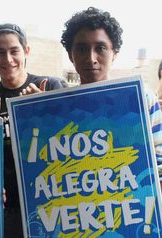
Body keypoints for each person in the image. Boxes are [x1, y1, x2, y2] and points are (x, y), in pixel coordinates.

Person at [0, 23, 68, 238]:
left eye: (14, 51)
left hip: (48, 197)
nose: (8, 59)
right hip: (8, 205)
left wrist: (39, 109)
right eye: (0, 52)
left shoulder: (50, 86)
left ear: (27, 52)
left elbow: (66, 144)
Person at [60, 7, 162, 175]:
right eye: (82, 48)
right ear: (71, 55)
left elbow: (159, 161)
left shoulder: (142, 99)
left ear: (114, 53)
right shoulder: (59, 108)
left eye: (100, 48)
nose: (91, 58)